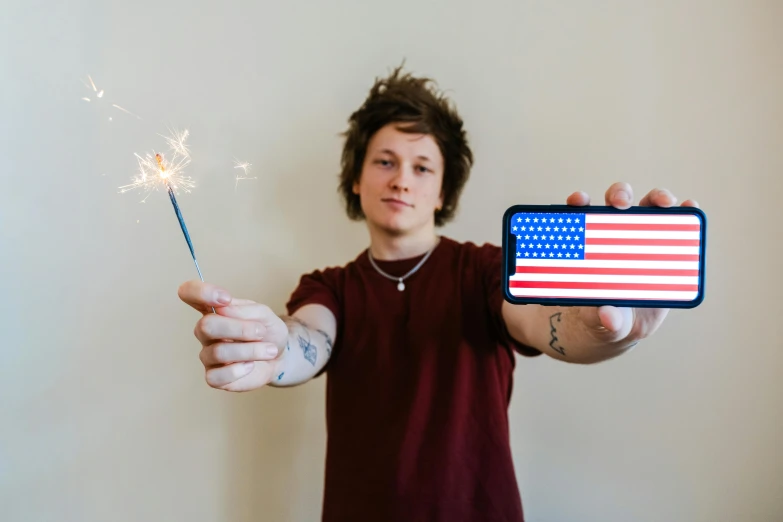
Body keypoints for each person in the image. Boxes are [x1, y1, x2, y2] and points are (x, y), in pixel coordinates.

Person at [177, 65, 699, 522]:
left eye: (422, 166)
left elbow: (541, 324)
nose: (402, 179)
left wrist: (604, 333)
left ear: (443, 190)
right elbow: (307, 340)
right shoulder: (329, 287)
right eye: (384, 161)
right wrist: (272, 348)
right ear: (355, 180)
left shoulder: (484, 269)